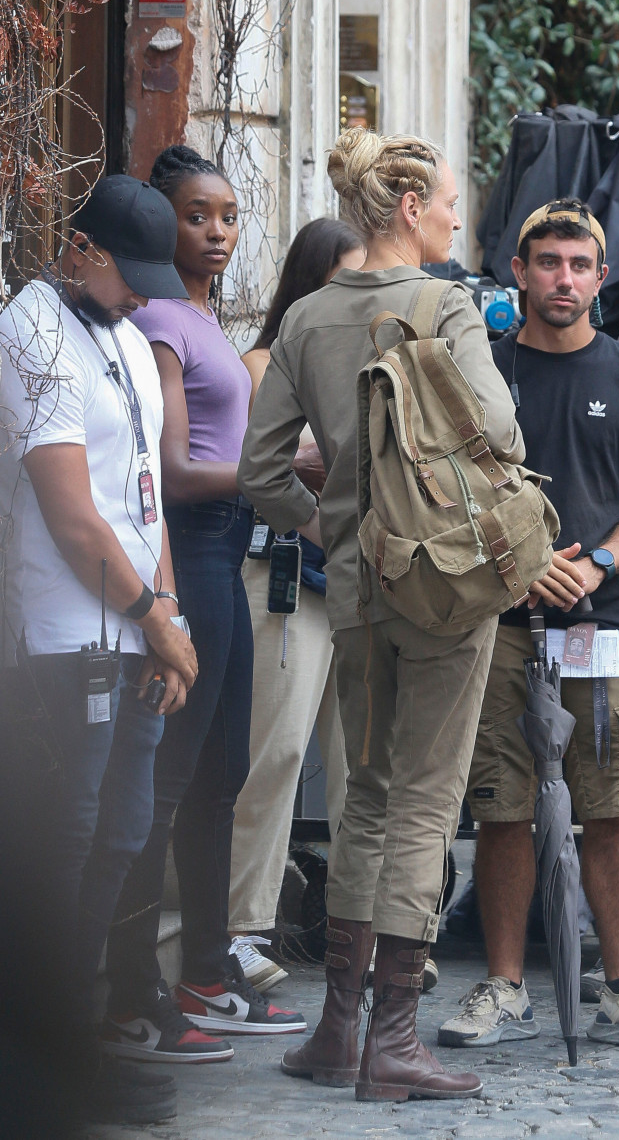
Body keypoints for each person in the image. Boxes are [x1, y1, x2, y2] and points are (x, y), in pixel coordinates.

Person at [238, 127, 528, 1101]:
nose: (457, 216)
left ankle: (338, 1031)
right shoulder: (445, 302)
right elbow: (498, 427)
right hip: (443, 581)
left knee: (364, 791)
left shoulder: (309, 317)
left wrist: (324, 527)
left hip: (356, 586)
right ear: (409, 208)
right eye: (449, 201)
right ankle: (395, 1043)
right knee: (425, 801)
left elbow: (258, 472)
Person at [438, 198, 619, 1056]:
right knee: (504, 809)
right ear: (518, 272)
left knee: (614, 805)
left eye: (579, 265)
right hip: (498, 622)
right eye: (547, 262)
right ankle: (506, 984)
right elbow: (452, 493)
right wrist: (518, 563)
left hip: (603, 621)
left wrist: (598, 564)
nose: (564, 278)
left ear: (600, 276)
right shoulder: (481, 372)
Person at [0, 175, 198, 1129]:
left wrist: (168, 615)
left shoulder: (122, 333)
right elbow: (72, 514)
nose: (143, 296)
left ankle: (74, 1042)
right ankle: (44, 1052)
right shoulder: (31, 330)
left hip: (132, 629)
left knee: (121, 836)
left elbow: (144, 493)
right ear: (80, 247)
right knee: (62, 843)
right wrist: (150, 618)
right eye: (131, 273)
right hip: (60, 636)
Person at [100, 146, 305, 1068]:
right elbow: (174, 471)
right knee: (172, 779)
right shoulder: (159, 324)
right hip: (193, 547)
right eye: (196, 215)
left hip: (232, 551)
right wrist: (286, 470)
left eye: (226, 214)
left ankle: (209, 969)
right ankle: (135, 986)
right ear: (159, 223)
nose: (217, 231)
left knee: (222, 776)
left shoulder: (204, 317)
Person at [228, 218, 364, 991]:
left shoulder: (377, 363)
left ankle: (365, 933)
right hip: (287, 574)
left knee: (366, 769)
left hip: (365, 581)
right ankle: (238, 930)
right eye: (339, 281)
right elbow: (278, 466)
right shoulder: (263, 360)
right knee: (271, 754)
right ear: (306, 284)